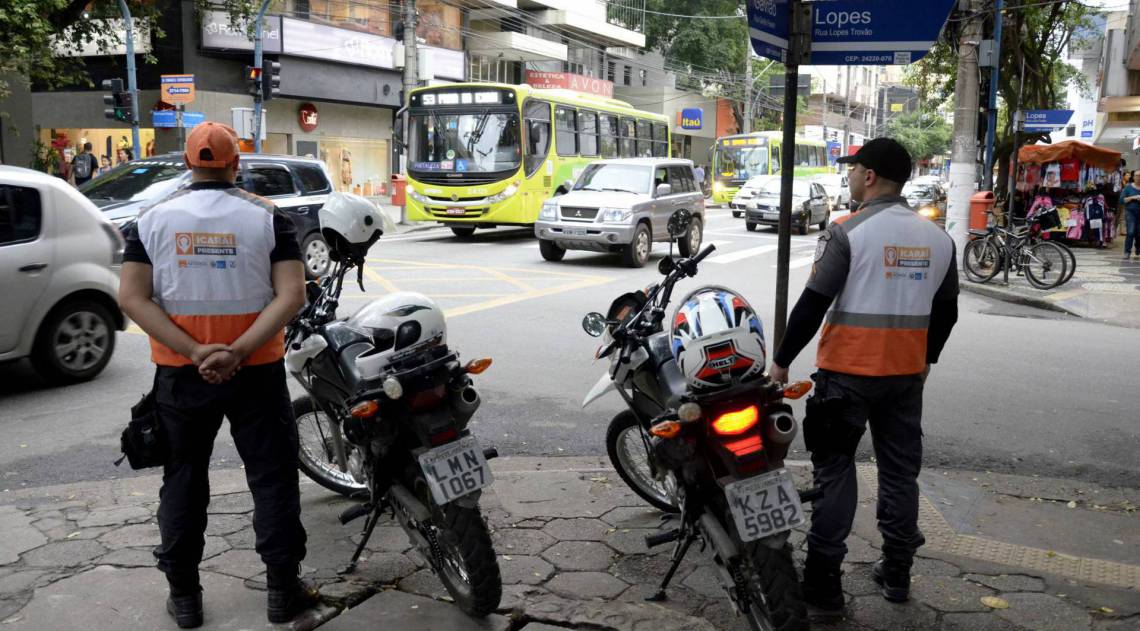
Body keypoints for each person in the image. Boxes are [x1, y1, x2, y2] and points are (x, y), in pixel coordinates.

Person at [117, 121, 317, 629]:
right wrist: (239, 351)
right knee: (271, 477)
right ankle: (281, 592)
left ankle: (185, 598)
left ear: (188, 163)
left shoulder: (151, 219)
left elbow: (132, 298)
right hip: (258, 371)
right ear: (236, 164)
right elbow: (292, 294)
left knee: (183, 479)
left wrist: (195, 350)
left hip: (182, 376)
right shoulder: (267, 218)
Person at [767, 138, 959, 611]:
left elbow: (812, 304)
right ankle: (897, 574)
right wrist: (927, 358)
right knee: (899, 475)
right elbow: (947, 312)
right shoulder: (939, 239)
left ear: (869, 176)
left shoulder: (847, 233)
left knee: (835, 474)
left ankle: (824, 586)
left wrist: (782, 359)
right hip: (904, 379)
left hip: (845, 376)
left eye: (853, 170)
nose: (850, 177)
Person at [1123, 169, 1140, 260]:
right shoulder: (1128, 187)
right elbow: (1122, 200)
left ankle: (1138, 248)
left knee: (1139, 233)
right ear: (1133, 177)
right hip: (1130, 213)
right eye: (1137, 176)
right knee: (1130, 232)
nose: (1138, 178)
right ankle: (1127, 252)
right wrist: (1133, 197)